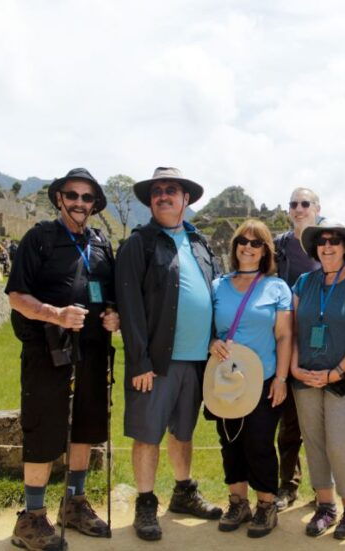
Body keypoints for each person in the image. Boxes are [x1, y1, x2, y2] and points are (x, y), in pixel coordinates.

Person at [5, 167, 119, 550]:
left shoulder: (102, 244)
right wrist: (55, 314)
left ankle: (74, 503)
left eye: (87, 198)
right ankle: (32, 518)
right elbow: (17, 297)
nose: (80, 203)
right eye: (72, 195)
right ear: (59, 198)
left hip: (92, 352)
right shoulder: (38, 239)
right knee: (43, 430)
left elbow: (110, 293)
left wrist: (112, 314)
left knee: (85, 427)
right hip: (46, 352)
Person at [115, 167, 223, 541]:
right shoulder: (139, 244)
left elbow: (215, 296)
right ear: (150, 200)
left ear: (185, 199)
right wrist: (140, 360)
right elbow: (128, 305)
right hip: (156, 362)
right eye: (157, 190)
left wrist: (213, 338)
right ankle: (145, 503)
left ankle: (183, 492)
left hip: (196, 360)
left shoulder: (200, 244)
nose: (163, 195)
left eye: (171, 190)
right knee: (148, 435)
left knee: (183, 431)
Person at [290, 220, 345, 540]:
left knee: (340, 443)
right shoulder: (303, 283)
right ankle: (325, 506)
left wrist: (337, 372)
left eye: (334, 241)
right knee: (314, 442)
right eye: (322, 241)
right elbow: (292, 329)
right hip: (306, 378)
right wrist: (294, 368)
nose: (327, 246)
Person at [208, 219, 293, 538]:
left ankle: (266, 504)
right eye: (242, 240)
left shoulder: (277, 287)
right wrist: (211, 342)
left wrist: (281, 379)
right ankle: (237, 502)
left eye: (256, 243)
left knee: (259, 442)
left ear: (265, 251)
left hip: (264, 378)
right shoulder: (218, 285)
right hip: (225, 378)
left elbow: (284, 336)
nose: (248, 246)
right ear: (235, 246)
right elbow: (210, 330)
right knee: (230, 442)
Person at [272, 187, 321, 510]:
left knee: (320, 423)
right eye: (294, 204)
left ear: (317, 207)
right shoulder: (280, 245)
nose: (299, 208)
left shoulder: (327, 242)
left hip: (319, 343)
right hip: (285, 340)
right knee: (289, 424)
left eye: (305, 203)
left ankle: (325, 489)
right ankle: (288, 485)